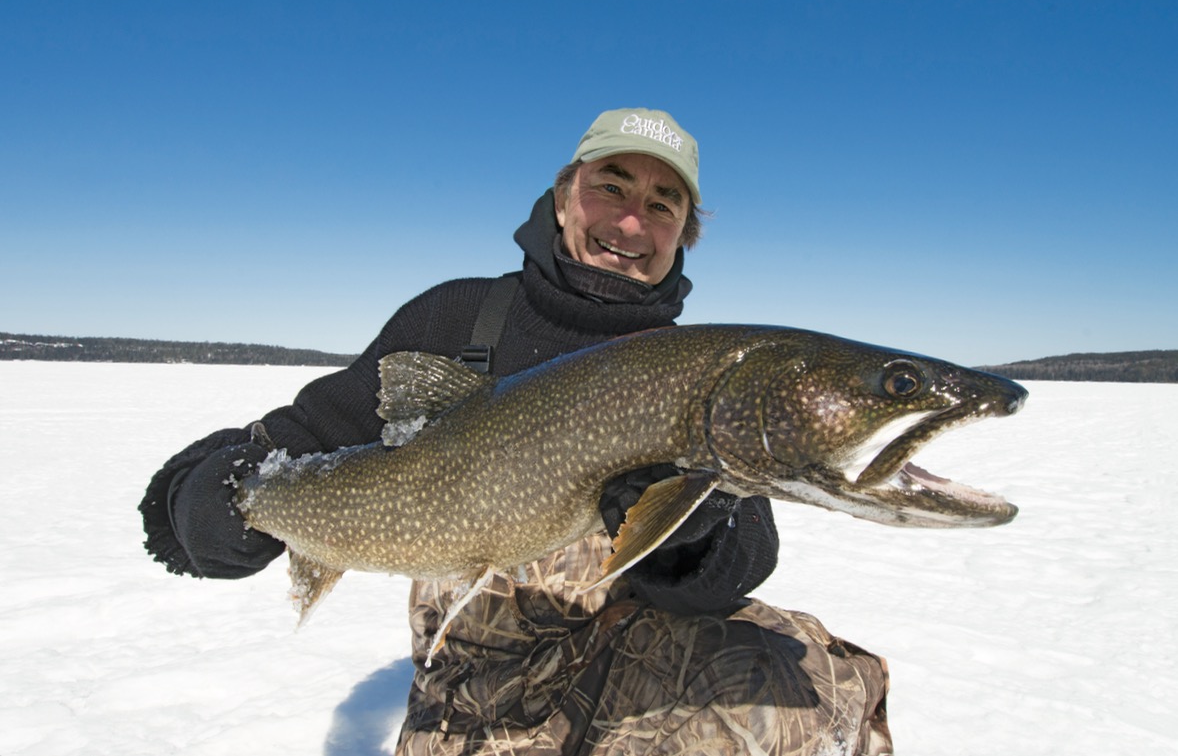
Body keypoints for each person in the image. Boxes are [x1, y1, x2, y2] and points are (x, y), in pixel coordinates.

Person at [140, 108, 892, 755]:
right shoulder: (458, 319)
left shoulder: (692, 366)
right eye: (612, 187)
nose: (633, 220)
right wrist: (207, 501)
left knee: (807, 683)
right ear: (565, 198)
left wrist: (689, 530)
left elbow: (743, 560)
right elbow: (300, 436)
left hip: (626, 656)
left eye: (663, 203)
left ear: (682, 235)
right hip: (481, 684)